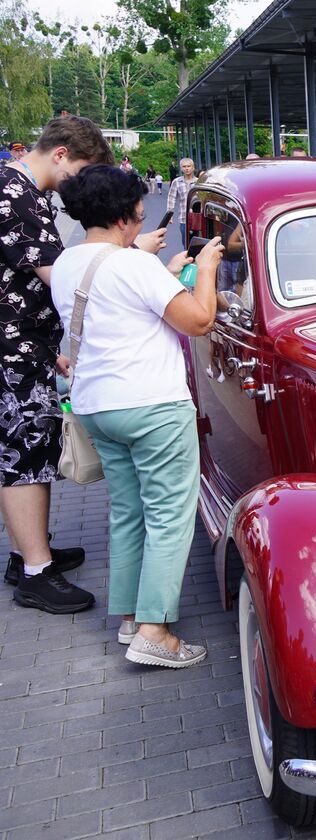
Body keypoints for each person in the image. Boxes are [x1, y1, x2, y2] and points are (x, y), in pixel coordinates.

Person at [52, 164, 223, 667]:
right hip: (151, 406)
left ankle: (128, 616)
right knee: (169, 515)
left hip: (96, 407)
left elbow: (118, 304)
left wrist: (159, 273)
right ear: (129, 214)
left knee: (127, 513)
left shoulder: (67, 263)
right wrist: (207, 269)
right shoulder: (134, 265)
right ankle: (155, 632)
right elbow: (199, 320)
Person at [0, 116, 115, 614]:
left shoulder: (21, 191)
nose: (81, 186)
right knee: (22, 456)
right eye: (82, 171)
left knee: (34, 449)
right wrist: (126, 259)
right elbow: (60, 275)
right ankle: (34, 572)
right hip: (12, 354)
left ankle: (31, 551)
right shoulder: (15, 196)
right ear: (61, 153)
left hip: (26, 347)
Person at [166, 157, 197, 245]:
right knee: (186, 243)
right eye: (184, 166)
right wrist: (169, 215)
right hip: (184, 218)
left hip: (197, 218)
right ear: (181, 168)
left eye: (188, 166)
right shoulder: (177, 182)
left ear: (193, 167)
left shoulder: (199, 182)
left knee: (198, 243)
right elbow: (171, 198)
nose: (187, 168)